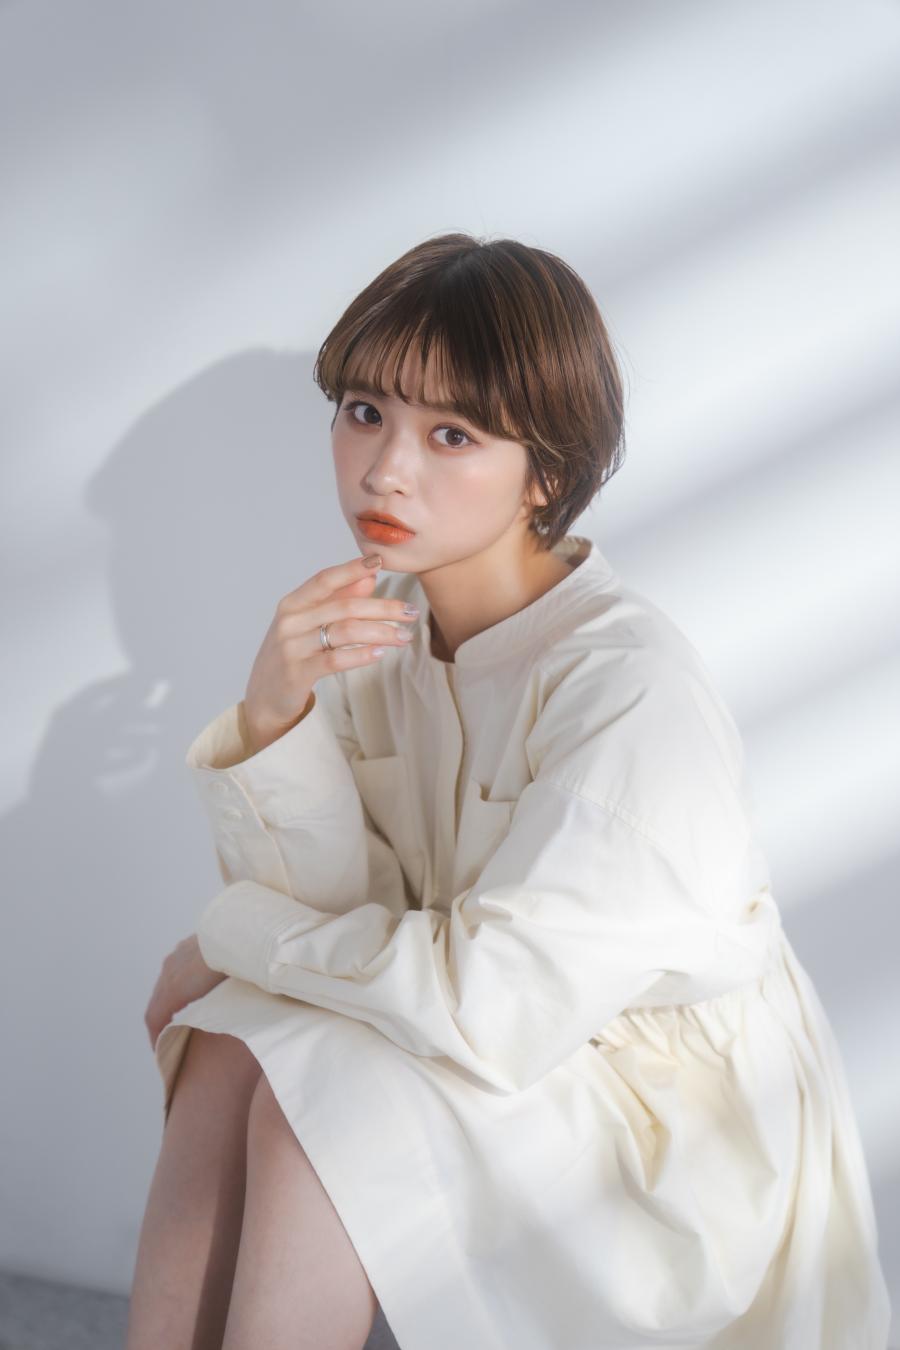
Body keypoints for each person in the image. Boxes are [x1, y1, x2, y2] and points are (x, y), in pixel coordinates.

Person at [127, 233, 892, 1350]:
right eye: (363, 413)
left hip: (666, 1128)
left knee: (326, 1096)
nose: (386, 471)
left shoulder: (630, 686)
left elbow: (493, 1010)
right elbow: (339, 911)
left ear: (546, 473)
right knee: (235, 1038)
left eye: (452, 435)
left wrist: (232, 937)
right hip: (500, 1039)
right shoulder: (384, 624)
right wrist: (277, 714)